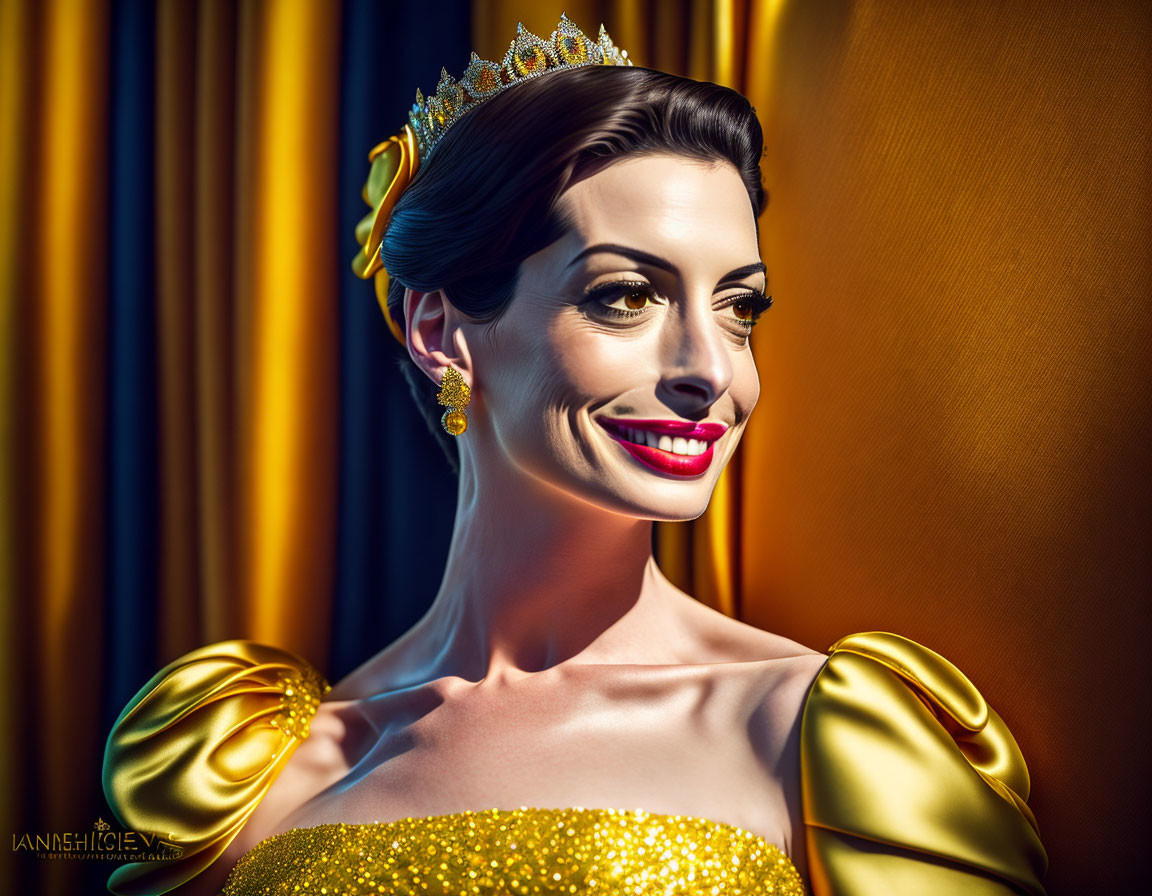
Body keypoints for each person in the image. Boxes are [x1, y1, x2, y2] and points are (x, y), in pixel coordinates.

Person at [101, 16, 1047, 896]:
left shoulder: (815, 736)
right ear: (441, 330)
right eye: (627, 295)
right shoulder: (254, 771)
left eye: (739, 307)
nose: (712, 371)